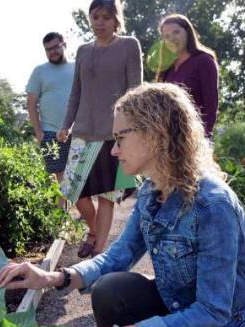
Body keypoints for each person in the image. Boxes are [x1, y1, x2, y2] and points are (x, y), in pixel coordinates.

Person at [0, 83, 245, 327]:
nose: (114, 150)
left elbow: (213, 311)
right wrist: (53, 277)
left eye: (120, 138)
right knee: (110, 289)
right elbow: (118, 256)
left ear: (155, 134)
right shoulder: (151, 192)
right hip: (181, 305)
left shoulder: (211, 206)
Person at [57, 0, 142, 258]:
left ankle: (99, 251)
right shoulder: (83, 51)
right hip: (82, 132)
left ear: (116, 20)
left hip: (114, 134)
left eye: (106, 17)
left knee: (106, 195)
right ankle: (92, 230)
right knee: (71, 188)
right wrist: (65, 125)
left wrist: (132, 129)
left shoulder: (129, 45)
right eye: (95, 17)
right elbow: (76, 92)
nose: (100, 22)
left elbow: (135, 91)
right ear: (90, 19)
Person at [157, 14, 219, 138]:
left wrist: (203, 138)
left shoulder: (204, 60)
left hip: (194, 136)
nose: (172, 39)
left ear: (187, 32)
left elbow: (211, 105)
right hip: (168, 138)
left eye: (176, 32)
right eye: (166, 36)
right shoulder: (166, 67)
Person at [26, 32, 75, 185]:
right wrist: (39, 132)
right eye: (48, 49)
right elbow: (31, 104)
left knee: (75, 180)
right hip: (50, 133)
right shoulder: (39, 71)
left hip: (77, 132)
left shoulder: (77, 67)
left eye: (55, 47)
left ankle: (67, 209)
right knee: (57, 181)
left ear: (64, 44)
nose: (52, 52)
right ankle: (59, 210)